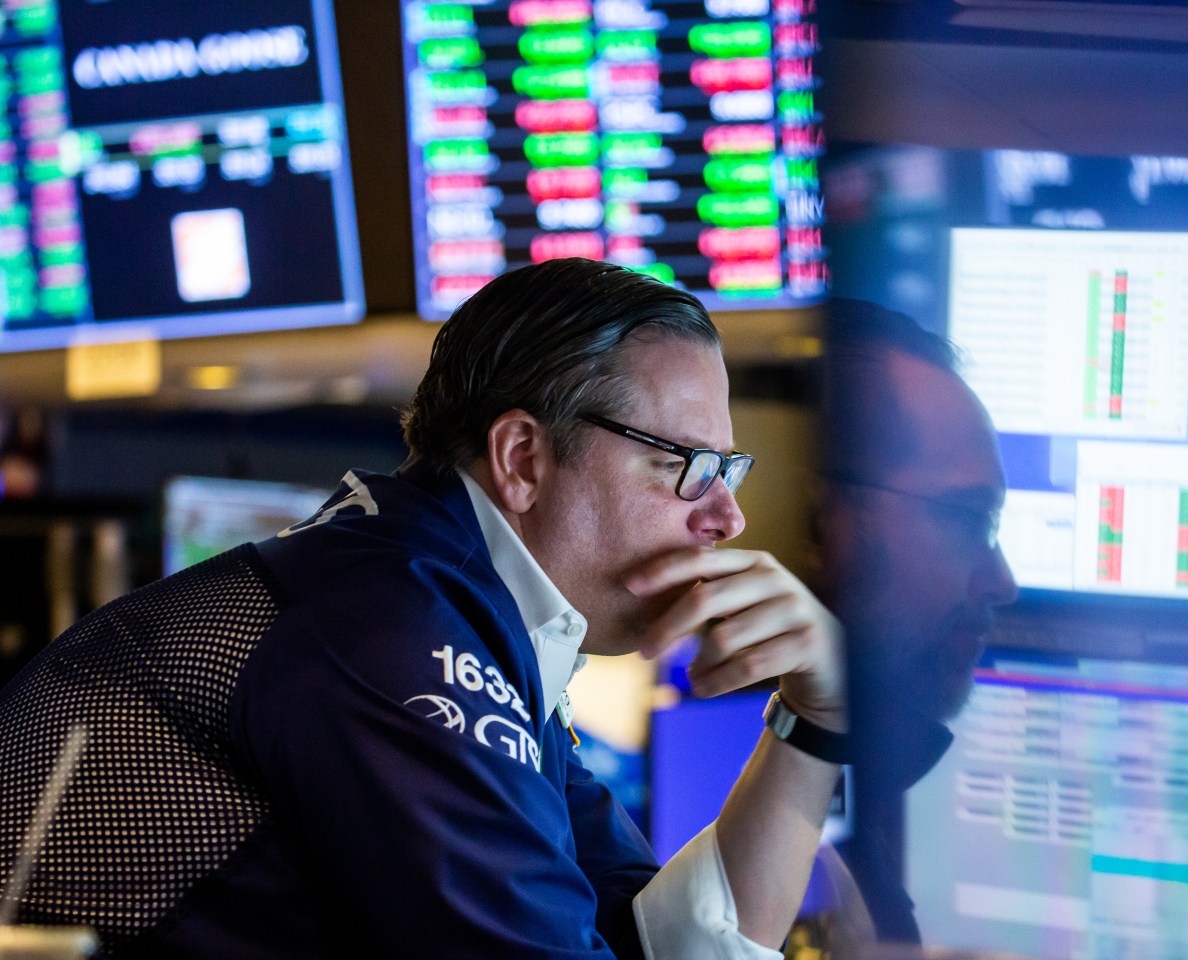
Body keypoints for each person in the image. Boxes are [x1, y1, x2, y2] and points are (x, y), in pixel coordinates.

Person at [0, 259, 845, 959]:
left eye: (728, 472)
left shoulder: (454, 608)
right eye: (687, 464)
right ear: (522, 459)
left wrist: (818, 723)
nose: (725, 517)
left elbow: (657, 941)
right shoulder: (394, 629)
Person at [815, 300, 1018, 945]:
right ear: (821, 517)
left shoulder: (839, 799)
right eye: (966, 518)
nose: (1001, 582)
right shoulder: (704, 827)